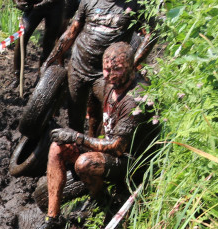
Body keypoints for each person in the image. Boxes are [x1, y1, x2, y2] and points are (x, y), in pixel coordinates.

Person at [29, 41, 155, 229]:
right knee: (57, 147)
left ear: (132, 66)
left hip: (131, 161)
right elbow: (93, 98)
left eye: (116, 70)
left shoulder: (136, 98)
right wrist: (89, 131)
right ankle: (53, 218)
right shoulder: (109, 83)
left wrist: (78, 138)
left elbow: (117, 147)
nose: (108, 74)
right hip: (107, 146)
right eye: (106, 69)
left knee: (84, 163)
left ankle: (102, 201)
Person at [41, 0, 144, 133]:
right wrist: (50, 59)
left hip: (107, 72)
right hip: (78, 64)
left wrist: (133, 62)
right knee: (74, 116)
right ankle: (75, 147)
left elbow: (153, 32)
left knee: (108, 115)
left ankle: (97, 145)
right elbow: (72, 31)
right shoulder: (88, 1)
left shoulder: (135, 4)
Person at [12, 0, 71, 88]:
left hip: (55, 6)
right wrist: (17, 2)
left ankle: (41, 75)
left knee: (49, 42)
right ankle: (17, 76)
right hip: (34, 4)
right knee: (22, 37)